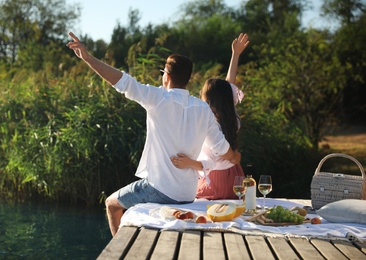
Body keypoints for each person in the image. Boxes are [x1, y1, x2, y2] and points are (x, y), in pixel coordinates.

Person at [66, 32, 240, 236]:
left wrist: (88, 57)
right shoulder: (203, 109)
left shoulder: (158, 98)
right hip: (188, 193)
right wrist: (235, 156)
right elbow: (222, 149)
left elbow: (122, 82)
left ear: (166, 76)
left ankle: (120, 252)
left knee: (111, 204)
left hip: (160, 190)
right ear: (187, 79)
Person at [171, 33, 249, 200]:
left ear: (209, 100)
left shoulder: (208, 123)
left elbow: (212, 162)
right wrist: (235, 55)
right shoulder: (231, 115)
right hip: (235, 175)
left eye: (202, 95)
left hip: (215, 180)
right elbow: (230, 85)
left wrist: (189, 163)